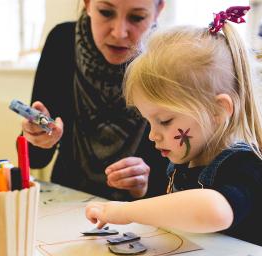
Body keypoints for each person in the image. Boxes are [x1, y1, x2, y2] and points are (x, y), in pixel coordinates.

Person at [85, 6, 262, 246]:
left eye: (165, 121)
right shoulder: (183, 162)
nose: (153, 135)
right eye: (148, 121)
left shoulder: (246, 166)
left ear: (217, 111)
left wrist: (127, 211)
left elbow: (214, 210)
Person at [22, 0, 169, 200]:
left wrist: (145, 185)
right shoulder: (62, 41)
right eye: (106, 12)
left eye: (137, 17)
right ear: (88, 4)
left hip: (137, 214)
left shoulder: (168, 59)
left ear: (158, 10)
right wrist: (37, 137)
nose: (119, 32)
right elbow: (36, 160)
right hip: (68, 201)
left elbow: (176, 182)